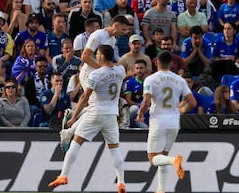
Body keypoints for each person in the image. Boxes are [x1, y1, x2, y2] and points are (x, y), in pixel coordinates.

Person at [48, 45, 127, 193]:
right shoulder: (120, 71)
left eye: (97, 54)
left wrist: (74, 117)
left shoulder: (96, 75)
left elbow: (85, 97)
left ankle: (64, 175)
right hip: (111, 116)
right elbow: (116, 65)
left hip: (95, 113)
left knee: (76, 143)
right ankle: (121, 183)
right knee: (115, 149)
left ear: (102, 56)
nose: (95, 56)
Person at [137, 51, 196, 193]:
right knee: (162, 155)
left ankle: (173, 160)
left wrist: (140, 114)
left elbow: (146, 101)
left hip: (158, 121)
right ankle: (161, 190)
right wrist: (181, 110)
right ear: (172, 63)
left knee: (153, 158)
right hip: (174, 122)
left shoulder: (150, 79)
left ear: (156, 62)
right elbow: (193, 102)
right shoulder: (180, 79)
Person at [79, 15, 129, 90]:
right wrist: (100, 69)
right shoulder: (98, 35)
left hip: (99, 75)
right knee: (90, 99)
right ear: (116, 26)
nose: (124, 32)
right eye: (123, 29)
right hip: (88, 74)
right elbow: (84, 57)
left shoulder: (112, 40)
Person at [24, 56, 50, 126]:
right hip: (36, 104)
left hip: (48, 104)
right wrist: (41, 105)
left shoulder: (50, 80)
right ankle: (30, 129)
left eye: (44, 66)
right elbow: (29, 97)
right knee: (33, 109)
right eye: (40, 66)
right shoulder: (30, 81)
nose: (42, 68)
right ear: (36, 67)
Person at [124, 59, 148, 127]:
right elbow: (128, 101)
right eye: (137, 68)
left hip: (147, 108)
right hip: (135, 110)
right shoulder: (129, 82)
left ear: (145, 69)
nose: (139, 71)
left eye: (141, 68)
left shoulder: (150, 81)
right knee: (134, 109)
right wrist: (140, 105)